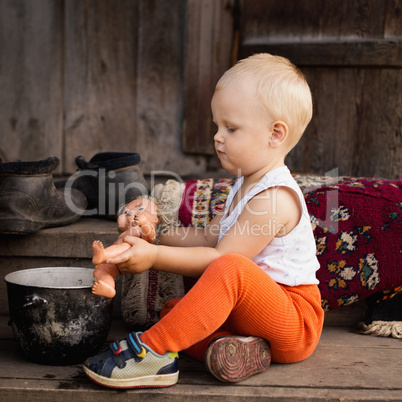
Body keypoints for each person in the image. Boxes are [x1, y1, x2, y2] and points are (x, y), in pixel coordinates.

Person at [83, 53, 324, 389]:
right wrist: (157, 238)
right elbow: (209, 237)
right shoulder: (244, 184)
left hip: (293, 320)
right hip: (254, 316)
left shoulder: (275, 198)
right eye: (217, 126)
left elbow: (219, 258)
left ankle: (154, 352)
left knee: (229, 268)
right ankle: (228, 349)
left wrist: (152, 258)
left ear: (275, 134)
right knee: (175, 311)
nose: (217, 137)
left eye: (231, 128)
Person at [91, 197, 159, 298]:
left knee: (125, 246)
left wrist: (145, 224)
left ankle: (103, 255)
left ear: (155, 219)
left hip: (129, 253)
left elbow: (149, 237)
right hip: (115, 262)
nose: (130, 214)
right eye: (126, 212)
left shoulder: (140, 230)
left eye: (140, 209)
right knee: (100, 271)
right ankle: (108, 287)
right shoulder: (126, 232)